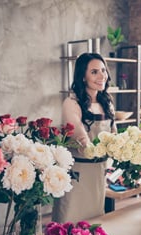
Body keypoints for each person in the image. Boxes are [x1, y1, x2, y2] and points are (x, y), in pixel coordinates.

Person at [52, 52, 117, 223]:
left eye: (103, 70)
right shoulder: (72, 103)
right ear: (82, 76)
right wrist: (91, 147)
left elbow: (113, 134)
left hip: (98, 172)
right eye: (94, 72)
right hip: (78, 172)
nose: (102, 75)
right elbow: (79, 135)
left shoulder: (107, 103)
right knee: (70, 220)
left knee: (94, 221)